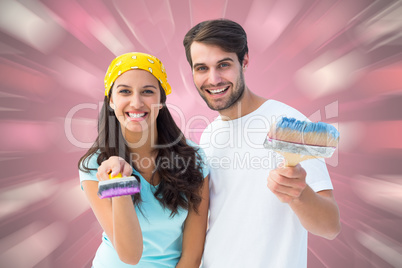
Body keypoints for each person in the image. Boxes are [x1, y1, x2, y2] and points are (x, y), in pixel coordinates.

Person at [183, 19, 341, 267]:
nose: (213, 79)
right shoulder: (210, 134)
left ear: (244, 61)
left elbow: (330, 227)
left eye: (223, 65)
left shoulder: (288, 125)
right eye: (201, 68)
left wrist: (300, 194)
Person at [78, 52, 209, 268]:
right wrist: (117, 184)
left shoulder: (194, 159)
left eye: (147, 92)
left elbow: (193, 255)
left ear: (161, 99)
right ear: (111, 100)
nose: (136, 102)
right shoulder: (94, 166)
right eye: (125, 92)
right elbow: (130, 255)